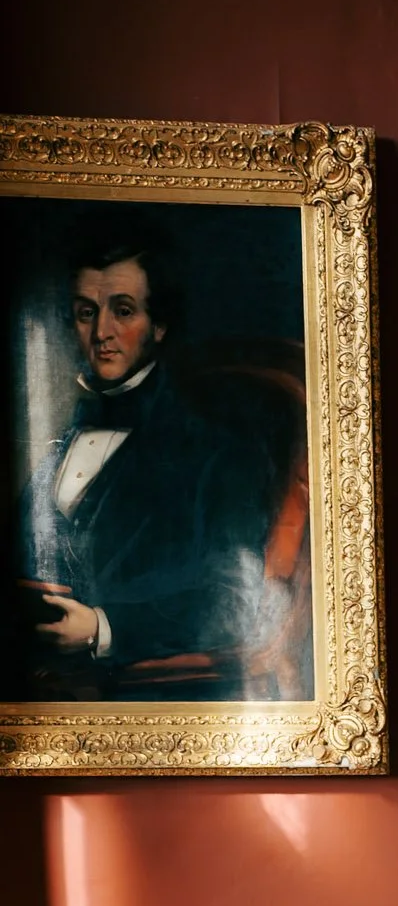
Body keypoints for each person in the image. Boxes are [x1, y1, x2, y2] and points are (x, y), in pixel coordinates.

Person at [12, 227, 267, 698]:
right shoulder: (61, 440)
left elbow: (233, 601)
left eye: (123, 311)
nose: (101, 332)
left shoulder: (213, 454)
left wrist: (102, 627)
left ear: (159, 325)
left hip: (139, 692)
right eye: (85, 313)